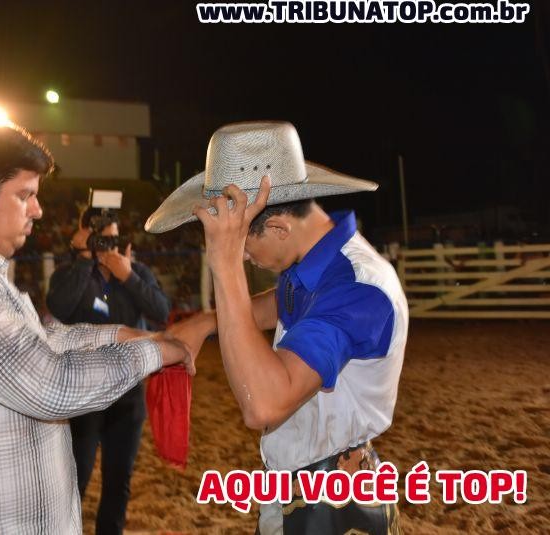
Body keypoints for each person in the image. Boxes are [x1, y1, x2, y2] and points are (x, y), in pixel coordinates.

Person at [0, 124, 193, 534]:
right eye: (25, 194)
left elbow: (40, 341)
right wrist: (157, 352)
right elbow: (52, 385)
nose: (38, 210)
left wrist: (127, 335)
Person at [149, 122, 408, 535]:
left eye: (244, 244)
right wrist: (207, 322)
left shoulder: (358, 288)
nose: (245, 257)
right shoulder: (319, 265)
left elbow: (264, 404)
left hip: (329, 500)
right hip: (315, 482)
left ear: (279, 228)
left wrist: (225, 265)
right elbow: (282, 304)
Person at [46, 207, 169, 535]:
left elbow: (161, 311)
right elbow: (59, 307)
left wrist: (128, 277)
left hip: (128, 393)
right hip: (82, 393)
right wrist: (83, 260)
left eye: (114, 240)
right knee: (76, 478)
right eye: (101, 240)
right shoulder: (70, 272)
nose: (109, 247)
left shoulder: (136, 272)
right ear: (85, 239)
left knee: (119, 481)